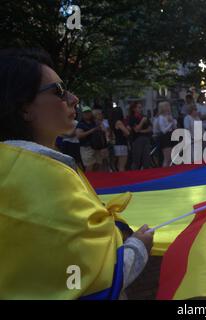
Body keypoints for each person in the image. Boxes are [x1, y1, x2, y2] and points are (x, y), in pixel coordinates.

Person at [0, 48, 153, 299]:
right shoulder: (43, 174)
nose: (74, 98)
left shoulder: (18, 168)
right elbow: (89, 281)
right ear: (24, 107)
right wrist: (138, 247)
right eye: (59, 91)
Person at [76, 106, 105, 172]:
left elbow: (103, 130)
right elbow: (79, 135)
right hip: (86, 148)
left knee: (98, 165)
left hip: (97, 147)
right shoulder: (81, 124)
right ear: (82, 114)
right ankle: (89, 180)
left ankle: (97, 180)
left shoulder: (95, 122)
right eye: (85, 113)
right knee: (89, 166)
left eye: (88, 112)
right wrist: (92, 130)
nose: (87, 114)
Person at [128, 102, 152, 170]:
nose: (140, 109)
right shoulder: (132, 118)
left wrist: (141, 131)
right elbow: (136, 130)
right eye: (139, 107)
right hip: (137, 140)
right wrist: (142, 122)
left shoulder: (144, 117)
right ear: (134, 109)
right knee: (136, 160)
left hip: (146, 139)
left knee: (146, 159)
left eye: (141, 107)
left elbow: (150, 128)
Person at [156, 101, 178, 167]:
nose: (168, 107)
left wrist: (173, 122)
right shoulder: (161, 118)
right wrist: (171, 123)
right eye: (166, 106)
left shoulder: (170, 116)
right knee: (167, 158)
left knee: (172, 158)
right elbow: (163, 130)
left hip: (171, 136)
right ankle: (164, 172)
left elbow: (175, 127)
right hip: (165, 137)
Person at [110, 107, 130, 172]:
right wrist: (127, 129)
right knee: (122, 165)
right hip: (122, 144)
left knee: (119, 165)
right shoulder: (119, 122)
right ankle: (123, 179)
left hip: (117, 144)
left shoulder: (113, 122)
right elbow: (127, 133)